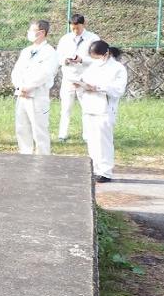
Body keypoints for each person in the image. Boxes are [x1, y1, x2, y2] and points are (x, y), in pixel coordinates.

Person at [76, 40, 128, 183]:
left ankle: (105, 171)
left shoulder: (117, 68)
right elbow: (84, 80)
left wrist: (98, 87)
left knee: (103, 141)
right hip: (89, 107)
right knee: (91, 140)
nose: (95, 59)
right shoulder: (93, 66)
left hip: (104, 109)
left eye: (96, 56)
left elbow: (118, 89)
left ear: (105, 54)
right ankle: (95, 168)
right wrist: (81, 85)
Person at [11, 20, 59, 155]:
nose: (29, 33)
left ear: (42, 32)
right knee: (22, 127)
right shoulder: (26, 51)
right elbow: (16, 71)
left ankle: (43, 159)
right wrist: (20, 86)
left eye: (32, 30)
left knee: (39, 130)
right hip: (22, 94)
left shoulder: (49, 52)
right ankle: (25, 154)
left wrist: (29, 87)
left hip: (37, 95)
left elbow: (45, 73)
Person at [56, 14, 99, 142]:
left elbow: (97, 58)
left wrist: (82, 60)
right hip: (68, 77)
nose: (75, 31)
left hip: (85, 78)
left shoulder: (93, 38)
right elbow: (58, 57)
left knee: (86, 107)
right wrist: (66, 60)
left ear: (83, 24)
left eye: (78, 28)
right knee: (66, 107)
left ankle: (87, 135)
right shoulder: (65, 39)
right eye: (73, 28)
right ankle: (62, 134)